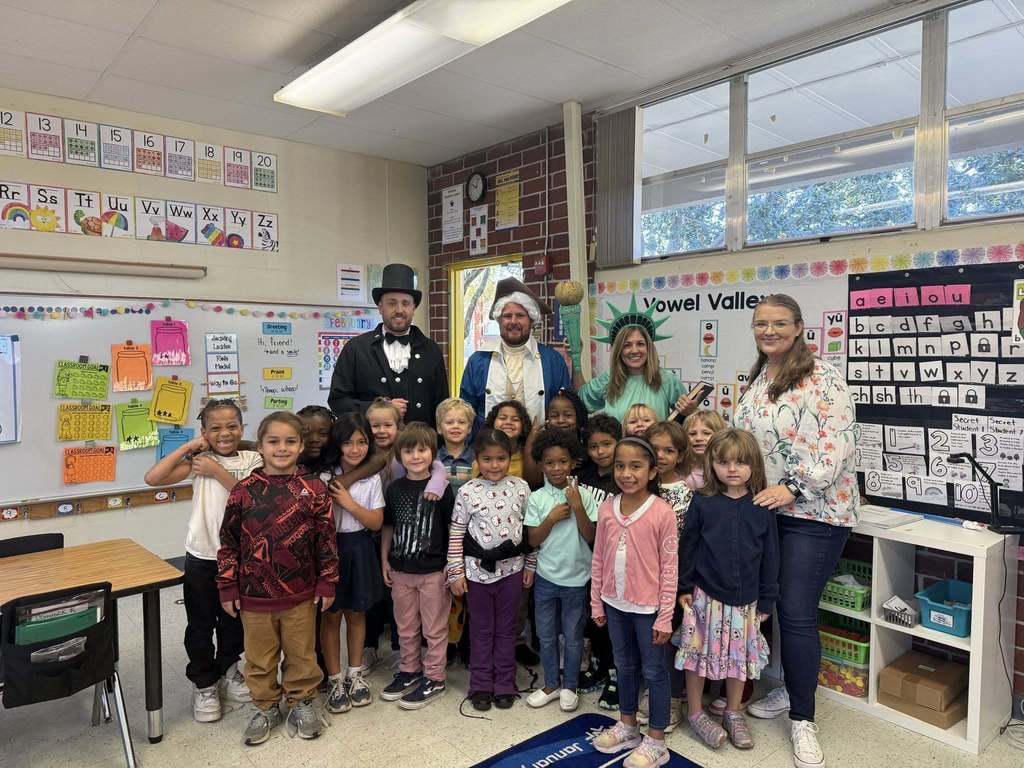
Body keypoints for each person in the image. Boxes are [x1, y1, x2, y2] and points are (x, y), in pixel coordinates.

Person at [735, 294, 857, 768]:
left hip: (816, 513)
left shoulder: (823, 378)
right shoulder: (759, 378)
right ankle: (789, 686)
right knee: (776, 603)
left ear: (800, 327)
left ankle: (804, 720)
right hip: (767, 511)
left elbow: (837, 446)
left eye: (779, 323)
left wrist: (792, 487)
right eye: (761, 323)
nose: (769, 331)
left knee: (797, 610)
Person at [216, 411, 338, 746]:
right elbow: (228, 542)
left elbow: (326, 540)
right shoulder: (243, 491)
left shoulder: (314, 489)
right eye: (273, 441)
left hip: (300, 594)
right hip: (253, 595)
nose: (281, 448)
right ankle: (266, 706)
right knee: (259, 657)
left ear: (301, 446)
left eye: (289, 441)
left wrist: (328, 581)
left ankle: (301, 701)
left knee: (301, 654)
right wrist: (227, 585)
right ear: (261, 445)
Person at [143, 398, 261, 723]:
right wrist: (193, 447)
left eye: (232, 426)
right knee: (200, 624)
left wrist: (218, 471)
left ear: (242, 427)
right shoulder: (200, 459)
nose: (225, 433)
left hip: (240, 557)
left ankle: (228, 670)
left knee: (234, 621)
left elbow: (253, 498)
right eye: (215, 428)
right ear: (205, 431)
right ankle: (204, 683)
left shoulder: (254, 458)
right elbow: (153, 478)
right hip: (202, 556)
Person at [676, 429, 778, 751]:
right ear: (712, 464)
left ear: (754, 465)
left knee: (738, 660)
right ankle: (695, 712)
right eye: (724, 462)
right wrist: (683, 586)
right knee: (698, 657)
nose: (732, 469)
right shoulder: (703, 502)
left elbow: (771, 557)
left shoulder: (762, 506)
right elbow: (688, 546)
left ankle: (733, 712)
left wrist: (767, 598)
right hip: (705, 596)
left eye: (740, 462)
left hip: (746, 601)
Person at [590, 437, 678, 768]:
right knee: (623, 665)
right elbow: (599, 557)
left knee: (654, 671)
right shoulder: (607, 508)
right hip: (614, 605)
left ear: (653, 471)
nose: (627, 473)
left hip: (649, 610)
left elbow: (670, 568)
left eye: (636, 466)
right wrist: (597, 602)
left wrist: (665, 616)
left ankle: (656, 739)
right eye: (620, 466)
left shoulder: (661, 513)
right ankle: (627, 724)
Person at [447, 428, 535, 711]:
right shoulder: (467, 491)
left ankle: (505, 684)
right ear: (477, 459)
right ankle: (481, 684)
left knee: (507, 631)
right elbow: (456, 532)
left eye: (501, 459)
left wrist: (530, 564)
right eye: (487, 459)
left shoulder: (521, 487)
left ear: (510, 458)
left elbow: (529, 529)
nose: (494, 465)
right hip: (476, 573)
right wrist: (455, 572)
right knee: (482, 631)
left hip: (512, 571)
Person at [380, 423, 456, 710]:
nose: (415, 456)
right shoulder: (395, 488)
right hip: (401, 571)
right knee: (406, 627)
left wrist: (452, 562)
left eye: (422, 450)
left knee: (434, 629)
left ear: (432, 453)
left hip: (434, 571)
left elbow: (453, 527)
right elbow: (388, 527)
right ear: (399, 455)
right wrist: (384, 560)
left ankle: (435, 677)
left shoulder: (441, 489)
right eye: (408, 451)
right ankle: (409, 671)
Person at [523, 428, 597, 713]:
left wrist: (577, 507)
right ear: (541, 465)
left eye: (563, 461)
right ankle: (551, 683)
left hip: (577, 580)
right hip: (546, 578)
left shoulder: (584, 495)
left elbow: (591, 536)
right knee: (546, 633)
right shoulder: (537, 498)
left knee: (574, 635)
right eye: (550, 463)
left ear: (573, 462)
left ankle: (570, 686)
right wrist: (551, 519)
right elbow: (532, 540)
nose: (556, 468)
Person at [329, 263, 448, 428]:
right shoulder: (356, 349)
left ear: (414, 308)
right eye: (392, 303)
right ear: (380, 307)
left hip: (420, 448)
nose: (399, 310)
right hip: (372, 446)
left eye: (406, 303)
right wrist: (379, 410)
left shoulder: (431, 350)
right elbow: (338, 401)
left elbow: (442, 406)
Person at [321, 414, 385, 715]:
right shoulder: (324, 476)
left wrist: (348, 503)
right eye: (348, 442)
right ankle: (334, 678)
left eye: (361, 442)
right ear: (338, 444)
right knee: (331, 616)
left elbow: (375, 522)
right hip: (330, 550)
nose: (355, 449)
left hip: (359, 547)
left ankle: (355, 673)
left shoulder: (371, 478)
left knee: (357, 614)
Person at [460, 277, 571, 435]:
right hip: (491, 453)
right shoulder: (478, 361)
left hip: (538, 452)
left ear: (532, 320)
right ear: (498, 320)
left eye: (520, 315)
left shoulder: (553, 361)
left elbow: (564, 411)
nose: (513, 321)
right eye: (507, 316)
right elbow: (466, 413)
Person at [636, 420, 692, 732]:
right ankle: (651, 690)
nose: (661, 455)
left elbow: (689, 539)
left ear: (681, 455)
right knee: (647, 638)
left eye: (668, 450)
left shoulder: (687, 493)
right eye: (654, 449)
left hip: (674, 579)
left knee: (670, 639)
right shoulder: (640, 487)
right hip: (642, 578)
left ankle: (673, 699)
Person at [575, 294, 700, 422]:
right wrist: (576, 357)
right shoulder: (609, 379)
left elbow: (691, 421)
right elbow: (580, 399)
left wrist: (691, 411)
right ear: (618, 350)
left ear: (648, 348)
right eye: (627, 345)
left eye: (640, 344)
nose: (634, 350)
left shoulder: (666, 380)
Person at [575, 413, 622, 707]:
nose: (600, 452)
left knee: (615, 620)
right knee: (595, 620)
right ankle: (599, 667)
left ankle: (617, 675)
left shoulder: (625, 474)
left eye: (607, 444)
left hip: (617, 562)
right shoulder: (585, 474)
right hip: (588, 560)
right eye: (594, 446)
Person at [522, 387, 588, 488]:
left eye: (568, 415)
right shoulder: (543, 444)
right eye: (554, 416)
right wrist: (531, 440)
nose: (561, 420)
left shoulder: (586, 442)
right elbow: (532, 482)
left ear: (578, 417)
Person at [476, 400, 531, 479]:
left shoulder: (527, 458)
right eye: (502, 418)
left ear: (523, 426)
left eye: (515, 419)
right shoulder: (481, 455)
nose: (508, 422)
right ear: (492, 423)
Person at [679, 410, 726, 491]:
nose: (698, 438)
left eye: (706, 433)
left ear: (720, 436)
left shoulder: (726, 469)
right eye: (692, 434)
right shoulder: (679, 469)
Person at [436, 397, 476, 493]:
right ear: (439, 428)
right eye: (449, 422)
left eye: (461, 422)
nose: (456, 426)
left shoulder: (476, 459)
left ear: (469, 428)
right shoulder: (433, 458)